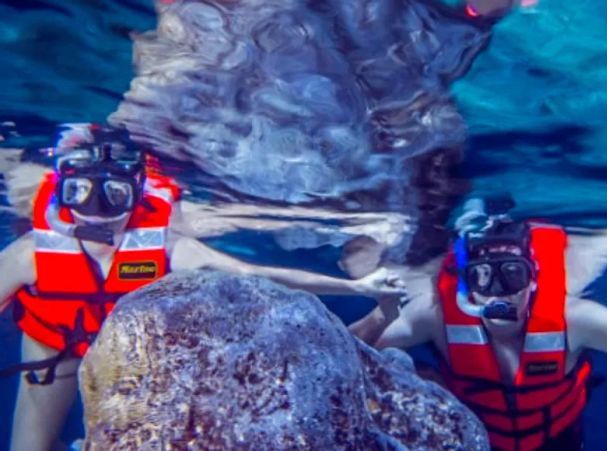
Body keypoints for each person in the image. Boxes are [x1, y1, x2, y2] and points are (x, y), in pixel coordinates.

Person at [0, 127, 407, 451]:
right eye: (80, 196)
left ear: (136, 197)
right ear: (62, 196)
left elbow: (258, 276)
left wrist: (355, 285)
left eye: (115, 197)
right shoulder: (31, 255)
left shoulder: (169, 247)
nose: (97, 214)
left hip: (135, 359)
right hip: (53, 351)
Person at [350, 111, 607, 450]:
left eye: (512, 275)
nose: (498, 293)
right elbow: (345, 353)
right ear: (465, 283)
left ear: (533, 280)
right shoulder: (434, 316)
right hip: (474, 441)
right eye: (483, 278)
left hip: (557, 439)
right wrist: (385, 314)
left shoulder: (571, 319)